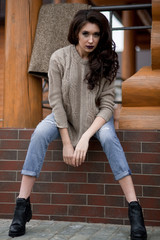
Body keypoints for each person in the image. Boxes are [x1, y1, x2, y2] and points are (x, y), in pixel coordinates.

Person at [9, 9, 147, 240]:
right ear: (76, 33)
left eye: (96, 34)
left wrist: (85, 137)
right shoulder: (59, 58)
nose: (91, 40)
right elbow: (56, 102)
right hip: (65, 116)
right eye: (85, 33)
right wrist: (66, 142)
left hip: (97, 119)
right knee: (39, 133)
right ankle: (22, 206)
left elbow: (107, 105)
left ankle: (135, 209)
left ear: (102, 35)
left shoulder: (106, 59)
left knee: (109, 138)